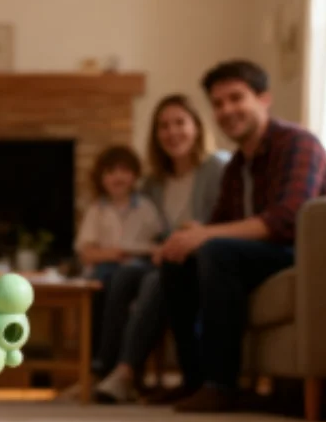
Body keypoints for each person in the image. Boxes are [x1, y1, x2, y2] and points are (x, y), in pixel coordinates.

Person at [156, 60, 326, 412]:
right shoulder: (235, 168)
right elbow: (215, 225)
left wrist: (205, 236)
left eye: (236, 98)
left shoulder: (297, 143)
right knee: (180, 260)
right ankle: (195, 380)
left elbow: (287, 219)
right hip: (265, 255)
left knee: (216, 252)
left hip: (307, 253)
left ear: (264, 98)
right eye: (218, 103)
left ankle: (221, 384)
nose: (226, 110)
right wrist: (182, 241)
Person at [95, 94, 228, 402]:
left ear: (196, 126)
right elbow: (149, 230)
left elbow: (221, 222)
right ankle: (105, 370)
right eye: (163, 126)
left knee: (157, 281)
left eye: (180, 123)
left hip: (197, 260)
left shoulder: (217, 169)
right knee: (123, 275)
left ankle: (126, 372)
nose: (172, 132)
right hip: (161, 257)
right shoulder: (154, 183)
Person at [74, 145, 163, 399]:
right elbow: (87, 252)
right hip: (105, 273)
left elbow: (158, 243)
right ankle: (98, 369)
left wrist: (136, 253)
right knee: (98, 293)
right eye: (110, 171)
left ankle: (106, 365)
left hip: (139, 272)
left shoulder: (146, 207)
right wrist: (115, 253)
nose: (118, 177)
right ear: (101, 178)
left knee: (123, 282)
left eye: (124, 170)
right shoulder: (97, 210)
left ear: (135, 175)